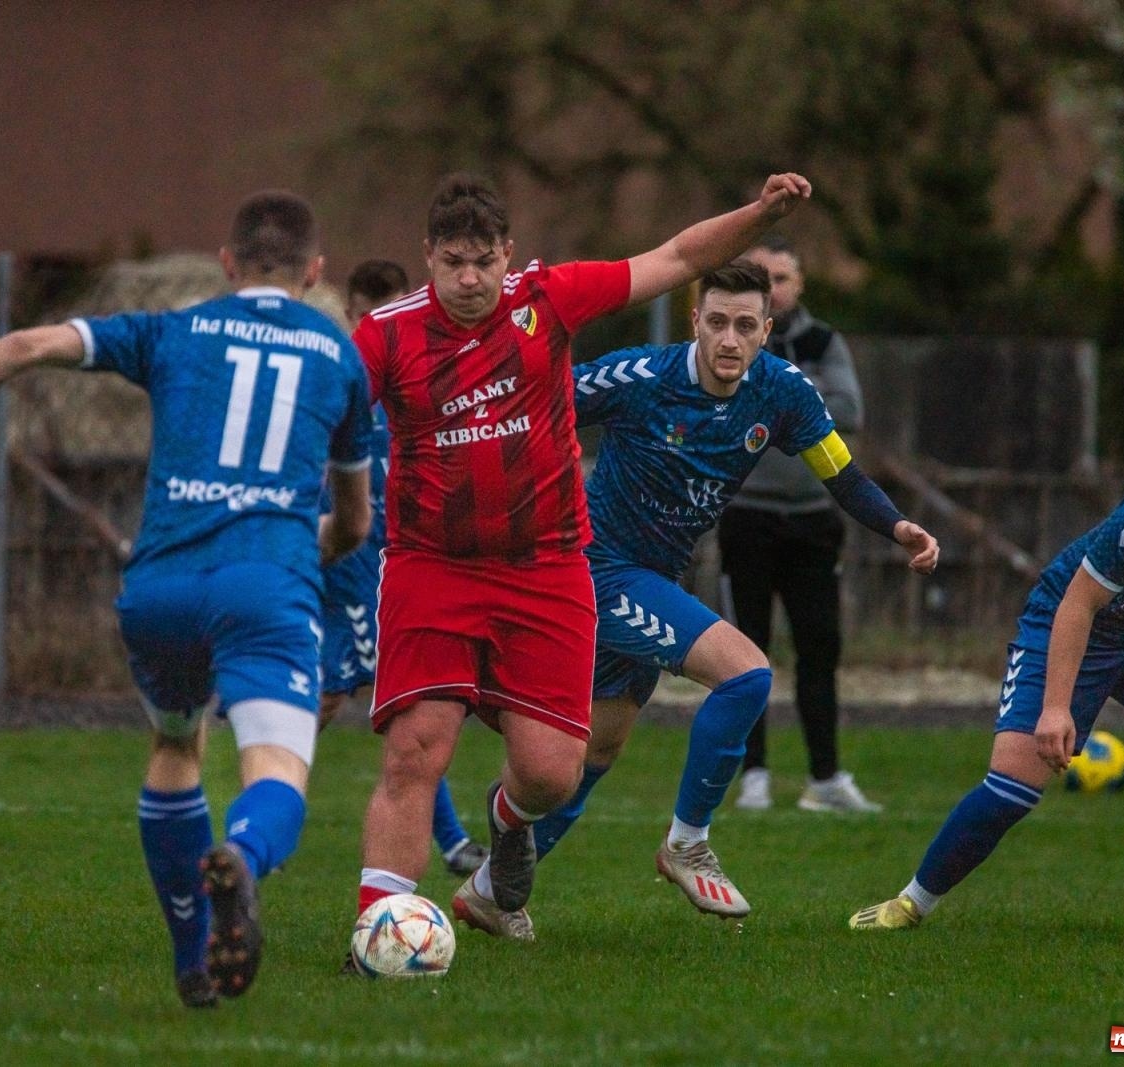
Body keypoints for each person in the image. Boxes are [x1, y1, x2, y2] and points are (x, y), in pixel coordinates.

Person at [0, 191, 376, 1005]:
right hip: (266, 583)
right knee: (278, 767)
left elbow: (26, 342)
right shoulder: (339, 354)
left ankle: (193, 959)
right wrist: (317, 541)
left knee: (176, 747)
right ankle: (244, 861)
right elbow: (355, 522)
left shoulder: (176, 328)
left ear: (227, 265)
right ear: (316, 272)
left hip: (158, 590)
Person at [348, 170, 814, 950]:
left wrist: (761, 213)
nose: (469, 279)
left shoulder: (547, 300)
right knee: (416, 747)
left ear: (508, 255)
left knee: (552, 771)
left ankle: (507, 825)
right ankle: (379, 932)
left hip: (547, 566)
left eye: (483, 261)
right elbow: (324, 411)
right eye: (453, 261)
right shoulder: (386, 334)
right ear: (427, 256)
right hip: (434, 564)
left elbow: (672, 256)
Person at [508, 260, 937, 928]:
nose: (729, 340)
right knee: (746, 674)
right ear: (695, 323)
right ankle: (687, 843)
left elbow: (840, 473)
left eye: (744, 325)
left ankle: (490, 886)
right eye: (716, 323)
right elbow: (529, 404)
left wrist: (897, 525)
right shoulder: (641, 377)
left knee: (596, 751)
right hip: (598, 568)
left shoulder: (782, 392)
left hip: (658, 578)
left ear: (766, 330)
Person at [850, 394, 1124, 942]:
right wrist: (1056, 708)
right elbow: (1078, 602)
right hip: (1071, 620)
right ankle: (909, 904)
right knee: (1012, 791)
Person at [318, 259, 488, 877]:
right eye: (368, 315)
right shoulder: (346, 390)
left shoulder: (427, 385)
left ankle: (449, 843)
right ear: (351, 317)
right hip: (348, 567)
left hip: (403, 569)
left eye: (393, 311)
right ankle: (259, 819)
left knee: (405, 709)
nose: (383, 326)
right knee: (332, 699)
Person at [718, 236, 878, 814]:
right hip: (748, 517)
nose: (774, 289)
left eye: (782, 278)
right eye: (763, 277)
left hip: (814, 520)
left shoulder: (822, 342)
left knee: (819, 650)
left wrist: (785, 403)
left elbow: (851, 410)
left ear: (800, 283)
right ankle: (753, 773)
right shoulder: (732, 342)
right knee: (745, 653)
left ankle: (826, 778)